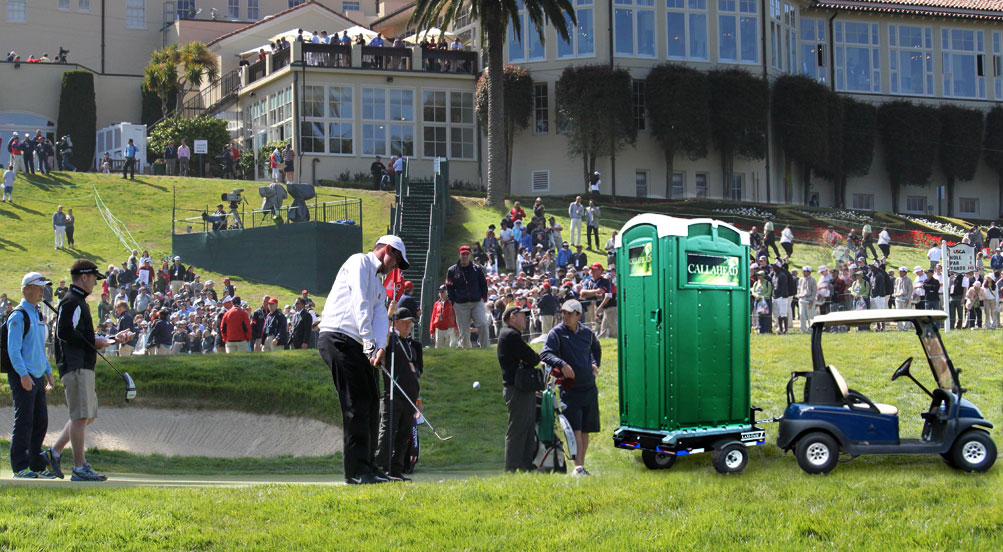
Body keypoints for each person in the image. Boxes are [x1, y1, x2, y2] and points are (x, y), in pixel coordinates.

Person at [318, 235, 409, 485]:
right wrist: (370, 343)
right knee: (356, 404)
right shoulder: (358, 261)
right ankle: (356, 472)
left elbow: (380, 318)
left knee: (370, 402)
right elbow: (359, 303)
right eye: (396, 261)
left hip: (358, 343)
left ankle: (369, 466)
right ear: (387, 250)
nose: (395, 268)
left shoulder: (379, 287)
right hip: (337, 337)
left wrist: (380, 347)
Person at [48, 260, 129, 481]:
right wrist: (94, 342)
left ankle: (54, 453)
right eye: (94, 277)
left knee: (85, 417)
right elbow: (65, 332)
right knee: (80, 416)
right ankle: (79, 467)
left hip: (82, 365)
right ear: (84, 277)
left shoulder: (76, 301)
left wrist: (111, 339)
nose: (95, 281)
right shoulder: (72, 301)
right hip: (75, 366)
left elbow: (79, 335)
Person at [540, 299, 602, 476]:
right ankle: (578, 467)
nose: (565, 316)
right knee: (575, 428)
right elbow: (545, 353)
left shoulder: (587, 333)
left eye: (569, 313)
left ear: (578, 315)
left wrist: (594, 363)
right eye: (563, 313)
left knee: (585, 430)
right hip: (570, 388)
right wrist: (562, 364)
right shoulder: (557, 333)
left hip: (589, 387)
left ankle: (580, 466)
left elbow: (595, 349)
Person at [5, 272, 57, 478]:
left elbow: (39, 347)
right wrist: (23, 374)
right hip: (22, 376)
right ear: (26, 289)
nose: (42, 291)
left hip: (36, 374)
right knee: (25, 420)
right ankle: (19, 466)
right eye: (38, 287)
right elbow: (14, 350)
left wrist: (48, 371)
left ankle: (37, 465)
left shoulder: (37, 314)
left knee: (40, 420)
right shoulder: (18, 316)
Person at [375, 307, 423, 481]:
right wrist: (388, 316)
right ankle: (382, 468)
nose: (409, 326)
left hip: (409, 397)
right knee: (388, 432)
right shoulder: (391, 340)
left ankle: (396, 469)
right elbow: (382, 339)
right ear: (396, 323)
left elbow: (414, 374)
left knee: (404, 434)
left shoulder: (410, 345)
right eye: (406, 323)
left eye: (410, 323)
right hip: (393, 396)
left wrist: (418, 398)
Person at [496, 304, 541, 472]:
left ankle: (525, 465)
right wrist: (530, 359)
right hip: (516, 389)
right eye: (522, 315)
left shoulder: (512, 335)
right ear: (512, 317)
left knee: (528, 427)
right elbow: (533, 357)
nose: (526, 318)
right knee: (518, 429)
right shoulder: (510, 335)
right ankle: (513, 468)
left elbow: (529, 358)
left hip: (522, 388)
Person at [446, 245, 490, 349]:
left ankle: (486, 349)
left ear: (470, 255)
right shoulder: (452, 270)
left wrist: (483, 298)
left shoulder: (477, 268)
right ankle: (468, 353)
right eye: (463, 254)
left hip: (476, 302)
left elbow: (483, 284)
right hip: (460, 305)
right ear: (459, 255)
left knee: (483, 324)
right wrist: (453, 302)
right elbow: (449, 287)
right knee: (464, 332)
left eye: (467, 254)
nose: (465, 256)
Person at [797, 266, 817, 332]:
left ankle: (811, 329)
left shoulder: (812, 280)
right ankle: (803, 329)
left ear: (809, 272)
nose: (803, 272)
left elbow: (814, 291)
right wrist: (799, 295)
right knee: (802, 315)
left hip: (809, 299)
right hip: (802, 299)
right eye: (803, 271)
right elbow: (799, 288)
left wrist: (811, 300)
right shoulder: (801, 279)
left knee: (810, 316)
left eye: (805, 271)